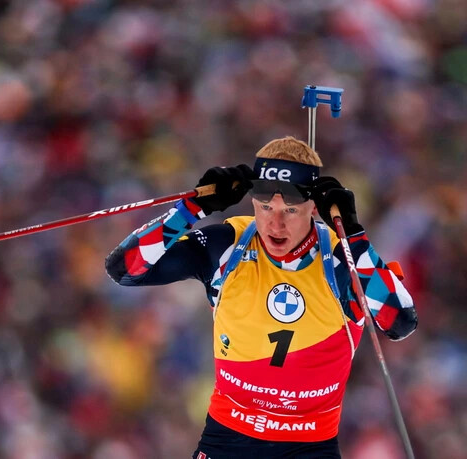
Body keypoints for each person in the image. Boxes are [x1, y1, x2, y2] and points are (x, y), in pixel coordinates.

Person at [105, 136, 417, 458]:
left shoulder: (341, 261)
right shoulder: (227, 246)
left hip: (309, 445)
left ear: (313, 207)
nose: (275, 223)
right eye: (266, 207)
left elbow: (400, 322)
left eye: (290, 210)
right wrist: (191, 209)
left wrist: (353, 234)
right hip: (228, 438)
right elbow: (125, 270)